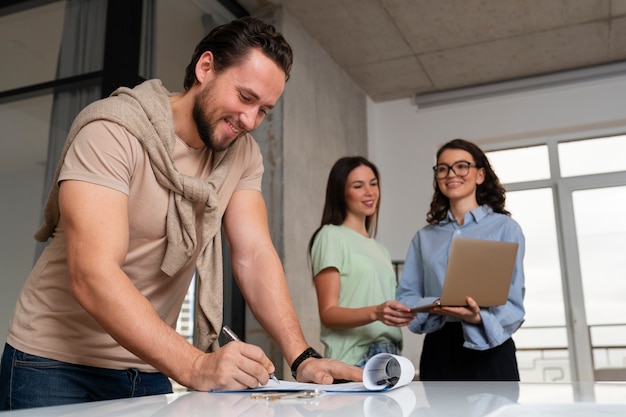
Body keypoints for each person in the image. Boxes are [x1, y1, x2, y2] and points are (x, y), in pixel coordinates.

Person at [0, 17, 361, 410]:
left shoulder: (242, 155)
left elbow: (254, 254)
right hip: (55, 365)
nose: (250, 121)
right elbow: (92, 274)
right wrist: (195, 365)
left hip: (150, 364)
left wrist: (302, 358)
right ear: (205, 68)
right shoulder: (112, 130)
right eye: (244, 97)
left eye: (264, 110)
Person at [396, 138, 525, 381]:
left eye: (462, 166)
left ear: (480, 175)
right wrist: (436, 303)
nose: (451, 174)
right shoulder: (424, 237)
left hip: (490, 347)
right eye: (443, 168)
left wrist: (478, 317)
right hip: (439, 348)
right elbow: (407, 295)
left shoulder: (506, 228)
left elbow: (514, 303)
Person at [308, 156, 415, 367]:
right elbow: (328, 313)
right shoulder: (330, 236)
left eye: (373, 184)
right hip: (355, 358)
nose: (369, 192)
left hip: (391, 352)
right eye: (358, 186)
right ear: (341, 192)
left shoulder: (381, 250)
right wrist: (376, 312)